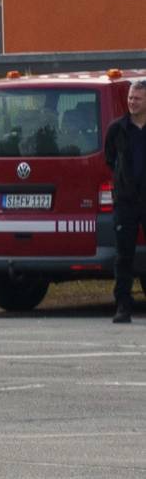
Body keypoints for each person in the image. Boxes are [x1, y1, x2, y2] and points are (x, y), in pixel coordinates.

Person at [106, 79, 146, 323]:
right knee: (123, 256)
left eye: (138, 98)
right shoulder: (117, 129)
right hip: (126, 202)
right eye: (131, 97)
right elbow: (110, 159)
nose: (132, 102)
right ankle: (123, 305)